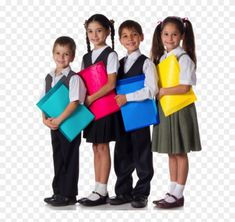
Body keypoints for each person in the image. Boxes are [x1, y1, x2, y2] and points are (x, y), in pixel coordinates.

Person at [151, 16, 202, 209]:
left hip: (180, 109)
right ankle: (172, 190)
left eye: (174, 34)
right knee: (171, 152)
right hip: (166, 108)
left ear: (181, 36)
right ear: (160, 35)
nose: (169, 38)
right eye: (166, 34)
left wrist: (163, 91)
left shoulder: (184, 58)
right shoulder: (162, 58)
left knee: (180, 151)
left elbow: (185, 88)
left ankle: (179, 192)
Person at [109, 20, 158, 208]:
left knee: (142, 154)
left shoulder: (147, 63)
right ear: (120, 40)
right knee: (121, 153)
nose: (130, 39)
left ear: (142, 37)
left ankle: (141, 193)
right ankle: (123, 192)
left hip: (140, 116)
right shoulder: (119, 64)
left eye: (134, 34)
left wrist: (127, 97)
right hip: (121, 117)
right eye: (125, 36)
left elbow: (151, 90)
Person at [77, 14, 120, 206]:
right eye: (90, 31)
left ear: (107, 31)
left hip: (104, 108)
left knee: (103, 146)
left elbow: (111, 84)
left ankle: (102, 190)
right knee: (95, 148)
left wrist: (91, 98)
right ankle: (97, 187)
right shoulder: (86, 57)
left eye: (99, 30)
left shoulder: (111, 55)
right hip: (91, 110)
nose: (94, 35)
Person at [42, 36, 86, 206]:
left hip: (69, 125)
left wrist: (60, 119)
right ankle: (58, 191)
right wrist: (45, 119)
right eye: (58, 53)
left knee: (70, 158)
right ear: (53, 54)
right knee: (58, 157)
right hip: (54, 125)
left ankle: (69, 194)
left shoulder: (74, 78)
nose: (62, 57)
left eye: (66, 54)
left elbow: (75, 102)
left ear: (72, 57)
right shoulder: (48, 77)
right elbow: (44, 101)